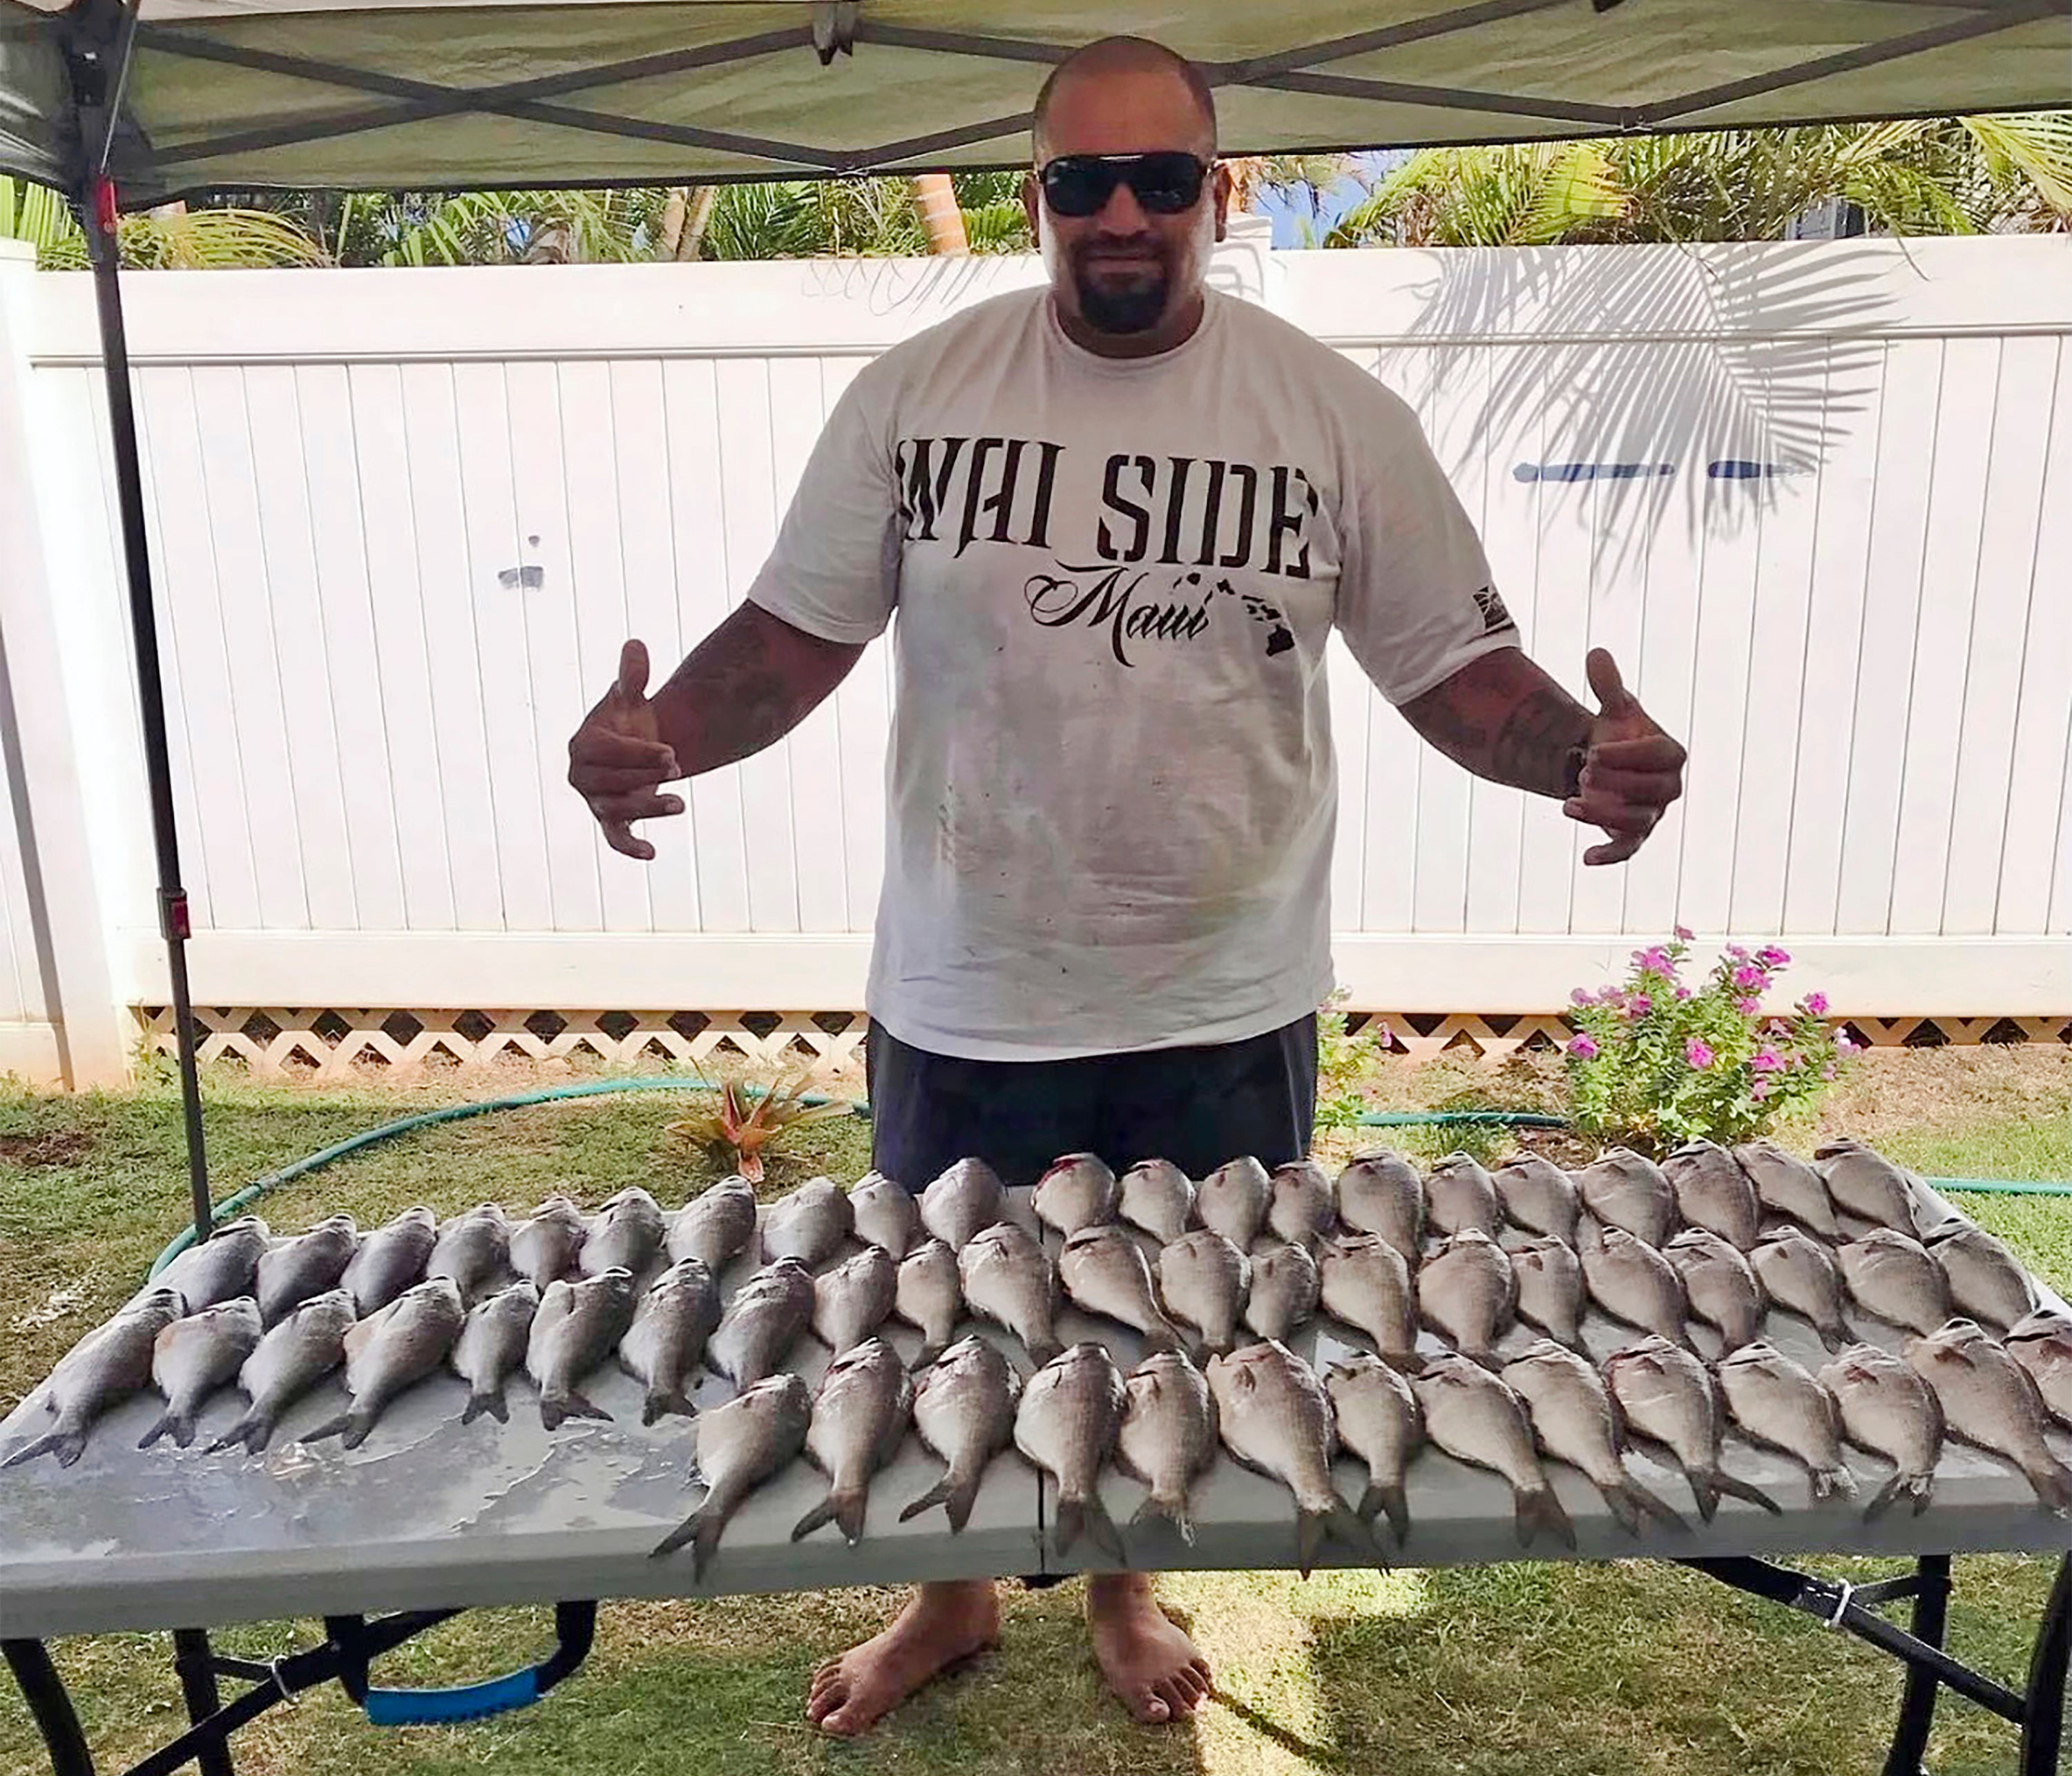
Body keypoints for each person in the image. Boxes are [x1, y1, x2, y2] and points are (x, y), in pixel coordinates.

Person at [568, 35, 1687, 1739]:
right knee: (940, 1320)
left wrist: (1578, 757)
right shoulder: (920, 393)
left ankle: (1123, 1586)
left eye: (1160, 178)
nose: (1118, 213)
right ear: (1037, 198)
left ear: (1216, 195)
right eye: (1080, 179)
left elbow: (1459, 671)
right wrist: (660, 737)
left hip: (1221, 991)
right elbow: (789, 643)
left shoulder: (1329, 416)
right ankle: (946, 1596)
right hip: (968, 983)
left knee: (1184, 1328)